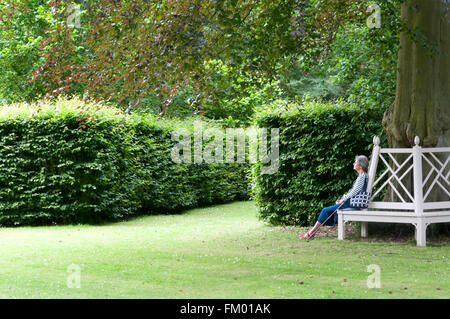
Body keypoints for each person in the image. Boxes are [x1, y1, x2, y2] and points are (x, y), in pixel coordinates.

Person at [299, 155, 369, 239]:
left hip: (351, 203)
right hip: (350, 202)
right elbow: (354, 191)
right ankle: (311, 233)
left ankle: (310, 233)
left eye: (356, 162)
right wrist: (343, 199)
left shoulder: (363, 176)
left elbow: (355, 191)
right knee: (327, 211)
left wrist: (344, 199)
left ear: (360, 166)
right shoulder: (362, 176)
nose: (353, 163)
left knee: (325, 210)